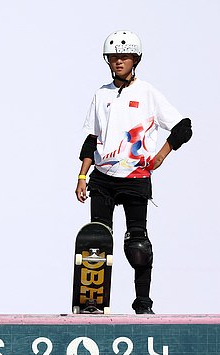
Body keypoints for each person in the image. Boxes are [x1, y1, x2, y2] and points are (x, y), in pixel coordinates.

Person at [75, 30, 193, 314]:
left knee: (138, 244)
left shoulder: (148, 93)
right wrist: (82, 176)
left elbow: (183, 127)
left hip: (136, 179)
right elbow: (92, 139)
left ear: (135, 60)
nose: (118, 62)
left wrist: (160, 156)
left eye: (124, 57)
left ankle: (143, 303)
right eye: (114, 57)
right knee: (97, 242)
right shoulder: (101, 94)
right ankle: (93, 302)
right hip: (102, 179)